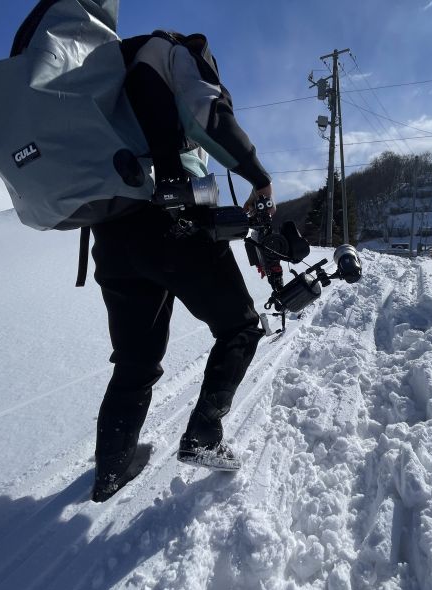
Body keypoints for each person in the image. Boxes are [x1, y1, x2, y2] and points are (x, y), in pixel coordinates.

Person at [90, 30, 274, 502]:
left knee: (134, 358)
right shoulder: (174, 52)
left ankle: (111, 468)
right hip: (173, 222)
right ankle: (203, 437)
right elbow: (207, 118)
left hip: (110, 230)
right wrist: (259, 177)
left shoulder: (103, 74)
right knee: (240, 325)